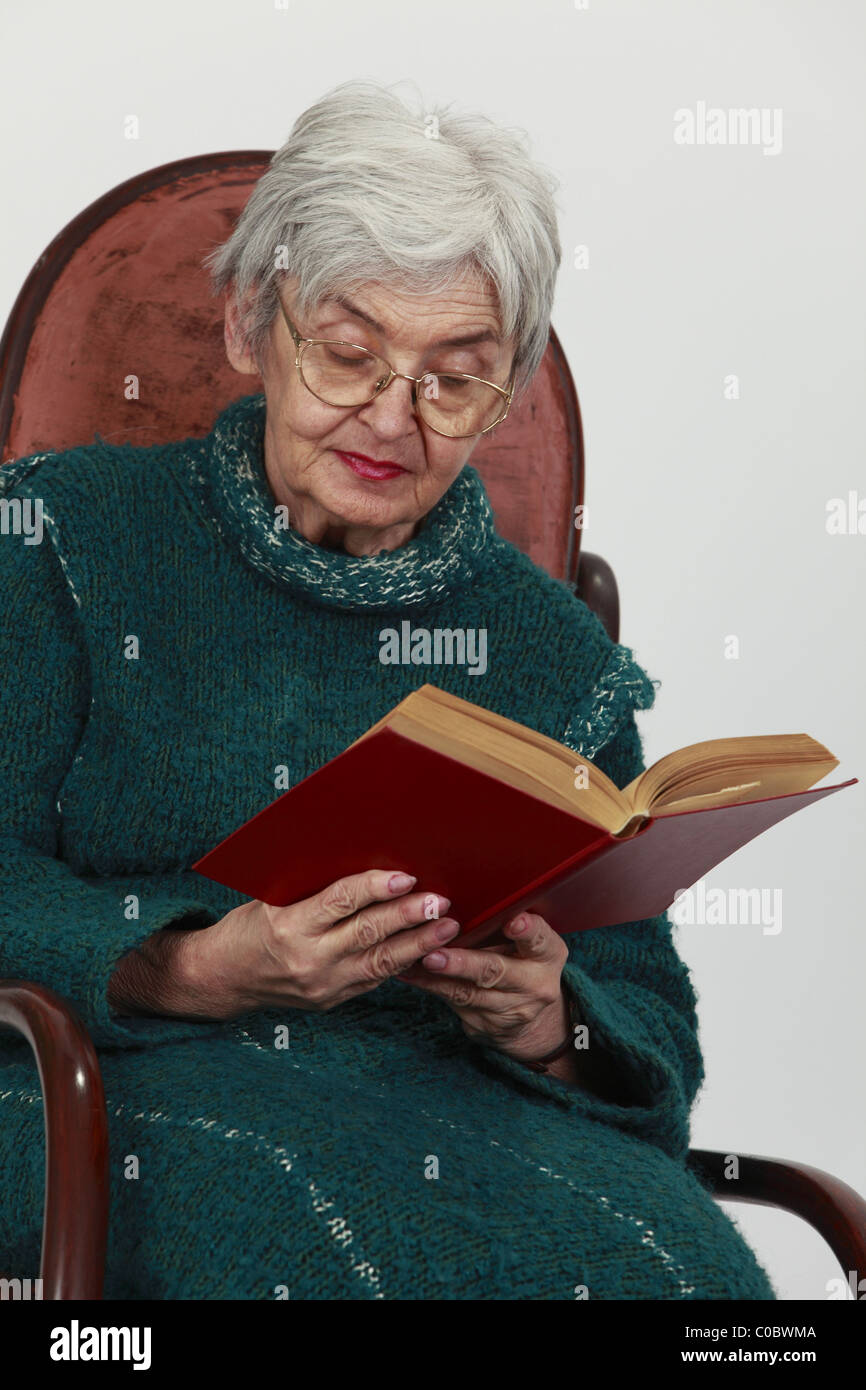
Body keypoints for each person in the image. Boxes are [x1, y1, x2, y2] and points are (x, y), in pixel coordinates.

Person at [0, 79, 775, 1300]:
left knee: (697, 1286)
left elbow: (640, 1019)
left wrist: (543, 1021)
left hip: (465, 1105)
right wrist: (190, 966)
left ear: (507, 387)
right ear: (255, 326)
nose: (390, 418)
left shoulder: (551, 653)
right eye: (350, 353)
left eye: (451, 378)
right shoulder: (61, 541)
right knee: (337, 1258)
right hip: (107, 1079)